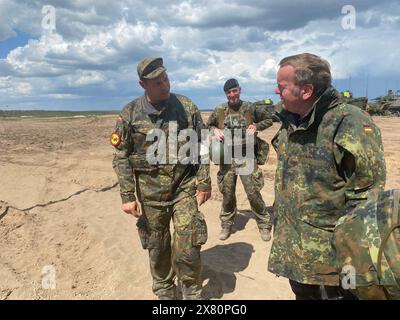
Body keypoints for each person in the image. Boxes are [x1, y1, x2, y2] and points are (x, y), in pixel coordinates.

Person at [267, 53, 386, 299]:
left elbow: (366, 199)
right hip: (296, 252)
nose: (277, 92)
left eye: (282, 87)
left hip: (331, 263)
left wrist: (350, 259)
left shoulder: (348, 123)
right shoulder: (292, 121)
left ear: (307, 90)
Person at [111, 57, 211, 300]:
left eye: (165, 79)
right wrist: (127, 195)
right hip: (151, 193)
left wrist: (204, 180)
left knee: (188, 244)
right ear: (143, 84)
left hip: (183, 187)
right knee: (158, 246)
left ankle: (191, 291)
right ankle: (164, 291)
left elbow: (202, 144)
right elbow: (121, 156)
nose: (164, 85)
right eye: (156, 82)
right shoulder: (130, 114)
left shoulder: (186, 107)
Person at [207, 78, 274, 241]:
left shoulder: (250, 108)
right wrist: (214, 130)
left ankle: (264, 224)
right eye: (229, 92)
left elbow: (269, 119)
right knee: (227, 193)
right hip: (227, 157)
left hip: (246, 156)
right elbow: (208, 125)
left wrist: (256, 126)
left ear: (239, 90)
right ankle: (226, 224)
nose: (232, 95)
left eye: (234, 91)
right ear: (226, 94)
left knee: (252, 191)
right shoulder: (220, 110)